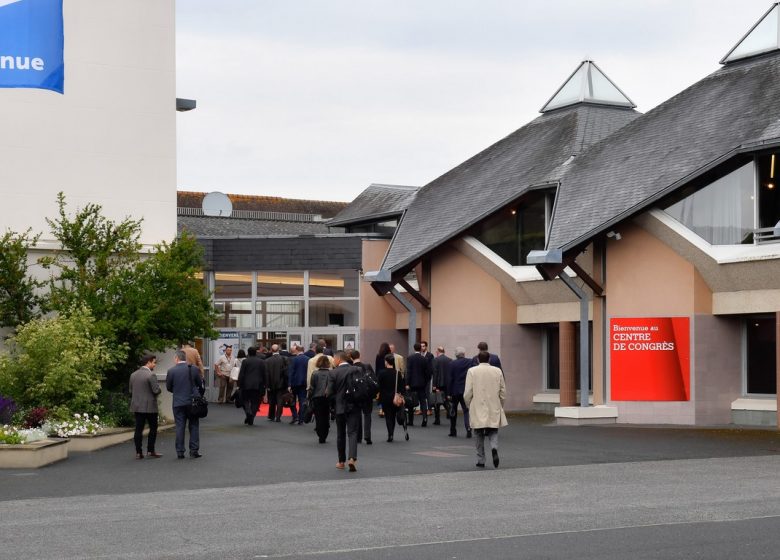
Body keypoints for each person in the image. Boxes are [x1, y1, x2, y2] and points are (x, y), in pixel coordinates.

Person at [464, 351, 508, 469]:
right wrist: (501, 404)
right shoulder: (497, 371)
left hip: (478, 405)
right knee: (493, 430)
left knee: (478, 433)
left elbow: (468, 392)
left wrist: (469, 404)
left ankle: (481, 459)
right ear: (489, 359)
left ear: (478, 359)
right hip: (493, 404)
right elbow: (503, 391)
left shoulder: (472, 371)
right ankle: (494, 448)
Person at [326, 351, 362, 472]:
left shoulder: (333, 373)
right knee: (352, 432)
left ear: (338, 359)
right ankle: (352, 458)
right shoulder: (356, 369)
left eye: (334, 359)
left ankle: (341, 462)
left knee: (340, 434)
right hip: (354, 405)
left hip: (340, 406)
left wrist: (333, 401)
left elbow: (329, 392)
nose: (333, 362)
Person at [166, 349, 204, 459]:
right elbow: (200, 385)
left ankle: (180, 451)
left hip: (178, 402)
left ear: (176, 358)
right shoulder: (194, 369)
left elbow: (169, 387)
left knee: (180, 426)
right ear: (185, 358)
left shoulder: (171, 371)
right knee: (194, 425)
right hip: (192, 402)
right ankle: (194, 450)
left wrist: (177, 391)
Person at [129, 353, 162, 459]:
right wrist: (159, 389)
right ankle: (150, 450)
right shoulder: (151, 375)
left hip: (137, 406)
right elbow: (156, 390)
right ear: (148, 362)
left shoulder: (133, 375)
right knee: (153, 428)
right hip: (150, 407)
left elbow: (130, 390)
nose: (155, 365)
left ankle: (138, 452)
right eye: (154, 362)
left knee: (138, 429)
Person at [349, 349, 376, 445]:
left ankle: (358, 437)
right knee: (367, 415)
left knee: (357, 415)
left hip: (356, 395)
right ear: (359, 355)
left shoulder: (350, 368)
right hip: (367, 395)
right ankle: (367, 436)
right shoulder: (367, 366)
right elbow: (374, 380)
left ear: (350, 357)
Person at [446, 347, 472, 438]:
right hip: (466, 390)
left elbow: (450, 379)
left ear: (456, 355)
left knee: (453, 410)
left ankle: (453, 430)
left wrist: (448, 393)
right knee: (466, 410)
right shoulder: (470, 362)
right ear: (464, 354)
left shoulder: (452, 364)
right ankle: (468, 428)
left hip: (455, 390)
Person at [376, 354, 403, 442]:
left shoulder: (382, 373)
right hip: (395, 397)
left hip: (385, 397)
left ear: (386, 362)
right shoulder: (397, 373)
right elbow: (401, 387)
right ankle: (392, 433)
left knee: (388, 416)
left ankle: (390, 434)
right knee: (393, 415)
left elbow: (378, 386)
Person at [237, 346, 266, 426]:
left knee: (245, 400)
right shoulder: (261, 361)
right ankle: (251, 417)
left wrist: (239, 384)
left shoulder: (245, 361)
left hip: (246, 384)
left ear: (248, 353)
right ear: (256, 352)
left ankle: (248, 412)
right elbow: (264, 374)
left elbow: (242, 373)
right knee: (255, 402)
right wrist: (265, 384)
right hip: (258, 385)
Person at [405, 342, 431, 427]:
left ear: (414, 348)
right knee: (423, 401)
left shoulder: (410, 358)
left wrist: (407, 383)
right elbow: (428, 372)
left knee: (411, 401)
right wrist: (426, 381)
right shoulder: (424, 359)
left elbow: (408, 372)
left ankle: (411, 421)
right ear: (420, 349)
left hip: (412, 384)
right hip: (422, 384)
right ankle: (425, 419)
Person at [309, 355, 332, 443]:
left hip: (317, 397)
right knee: (326, 415)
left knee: (318, 416)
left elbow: (312, 387)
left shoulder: (315, 373)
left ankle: (320, 433)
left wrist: (309, 397)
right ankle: (324, 434)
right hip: (327, 397)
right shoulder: (331, 373)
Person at [265, 344, 288, 422]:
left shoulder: (267, 361)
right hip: (281, 384)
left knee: (271, 400)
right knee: (280, 400)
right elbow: (286, 373)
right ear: (279, 350)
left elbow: (266, 374)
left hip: (271, 384)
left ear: (271, 350)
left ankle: (271, 416)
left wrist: (267, 385)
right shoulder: (284, 359)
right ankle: (278, 416)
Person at [287, 344, 309, 425]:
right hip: (304, 383)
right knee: (302, 401)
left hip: (294, 383)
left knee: (292, 401)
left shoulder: (294, 359)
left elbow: (291, 372)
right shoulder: (308, 359)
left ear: (296, 350)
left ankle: (295, 416)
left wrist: (289, 384)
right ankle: (301, 419)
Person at [431, 346, 452, 425]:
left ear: (438, 351)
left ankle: (437, 420)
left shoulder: (435, 360)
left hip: (439, 384)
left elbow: (435, 373)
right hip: (447, 384)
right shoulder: (450, 360)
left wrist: (434, 385)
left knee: (437, 401)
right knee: (446, 399)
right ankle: (450, 412)